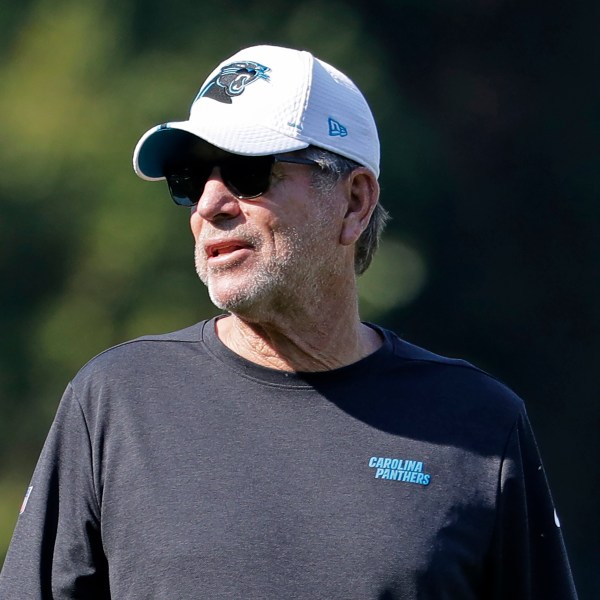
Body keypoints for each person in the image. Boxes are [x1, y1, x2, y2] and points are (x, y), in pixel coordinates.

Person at [0, 45, 578, 599]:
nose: (209, 205)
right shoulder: (114, 401)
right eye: (190, 177)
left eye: (248, 171)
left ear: (354, 201)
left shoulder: (480, 425)